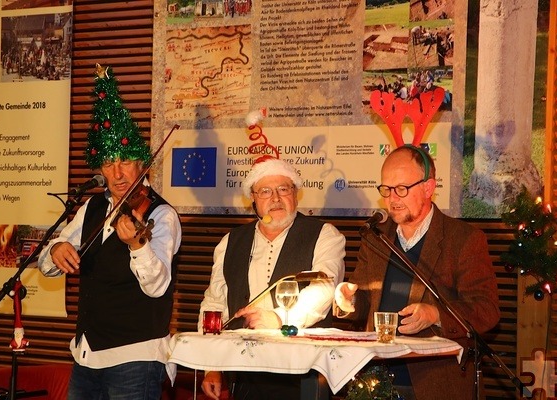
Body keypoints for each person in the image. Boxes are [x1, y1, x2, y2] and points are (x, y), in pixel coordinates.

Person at [38, 65, 182, 400]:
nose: (117, 174)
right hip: (87, 353)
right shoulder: (92, 207)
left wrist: (137, 246)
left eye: (125, 162)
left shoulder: (161, 214)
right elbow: (47, 264)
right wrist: (57, 248)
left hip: (135, 358)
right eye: (108, 164)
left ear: (141, 163)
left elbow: (158, 286)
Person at [334, 145, 500, 400]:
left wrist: (435, 314)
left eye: (402, 189)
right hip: (371, 380)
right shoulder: (375, 237)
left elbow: (486, 311)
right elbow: (363, 300)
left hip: (432, 384)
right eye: (386, 190)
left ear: (428, 187)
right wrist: (349, 301)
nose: (392, 199)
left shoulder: (464, 240)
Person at [200, 156, 346, 400]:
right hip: (245, 374)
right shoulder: (230, 242)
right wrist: (211, 365)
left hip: (303, 375)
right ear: (254, 200)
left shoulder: (324, 236)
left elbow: (324, 290)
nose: (275, 198)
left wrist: (279, 319)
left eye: (283, 189)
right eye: (265, 191)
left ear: (296, 194)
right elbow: (214, 304)